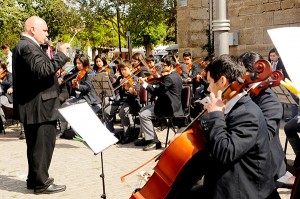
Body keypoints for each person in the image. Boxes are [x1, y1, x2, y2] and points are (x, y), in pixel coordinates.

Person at [188, 55, 275, 198]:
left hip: (241, 191)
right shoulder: (230, 107)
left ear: (222, 81)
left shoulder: (247, 114)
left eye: (209, 82)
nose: (209, 89)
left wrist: (215, 116)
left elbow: (225, 152)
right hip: (224, 182)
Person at [12, 16, 70, 194]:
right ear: (32, 29)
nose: (47, 33)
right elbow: (43, 70)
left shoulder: (26, 46)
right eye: (44, 30)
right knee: (43, 146)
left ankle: (34, 179)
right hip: (40, 107)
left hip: (36, 105)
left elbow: (38, 72)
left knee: (36, 146)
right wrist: (61, 55)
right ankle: (41, 182)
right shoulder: (28, 47)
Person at [240, 51, 294, 191]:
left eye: (241, 73)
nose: (238, 79)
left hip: (267, 164)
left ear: (254, 73)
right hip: (250, 157)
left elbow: (265, 136)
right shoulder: (245, 92)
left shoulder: (269, 99)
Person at [135, 55, 183, 151]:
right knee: (142, 109)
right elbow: (161, 84)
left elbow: (157, 91)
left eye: (164, 66)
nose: (162, 68)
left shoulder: (169, 78)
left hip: (169, 108)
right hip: (171, 104)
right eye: (162, 65)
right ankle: (147, 137)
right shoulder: (176, 75)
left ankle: (154, 141)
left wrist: (144, 84)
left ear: (171, 67)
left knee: (144, 115)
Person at [59, 53, 101, 137]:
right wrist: (62, 78)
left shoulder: (90, 72)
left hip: (89, 98)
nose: (77, 65)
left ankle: (78, 131)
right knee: (64, 106)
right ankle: (63, 130)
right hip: (81, 97)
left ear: (84, 63)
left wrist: (78, 86)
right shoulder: (77, 72)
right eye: (76, 63)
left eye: (79, 63)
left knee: (76, 107)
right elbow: (67, 76)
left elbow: (87, 88)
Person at [268, 47, 299, 121]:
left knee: (293, 96)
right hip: (274, 84)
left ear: (278, 56)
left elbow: (286, 77)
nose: (271, 58)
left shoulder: (282, 64)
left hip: (285, 84)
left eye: (273, 56)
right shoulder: (269, 64)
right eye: (270, 56)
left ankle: (294, 117)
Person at [0, 61, 13, 133]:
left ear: (3, 68)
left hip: (4, 95)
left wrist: (1, 81)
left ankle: (3, 121)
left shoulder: (8, 74)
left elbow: (11, 83)